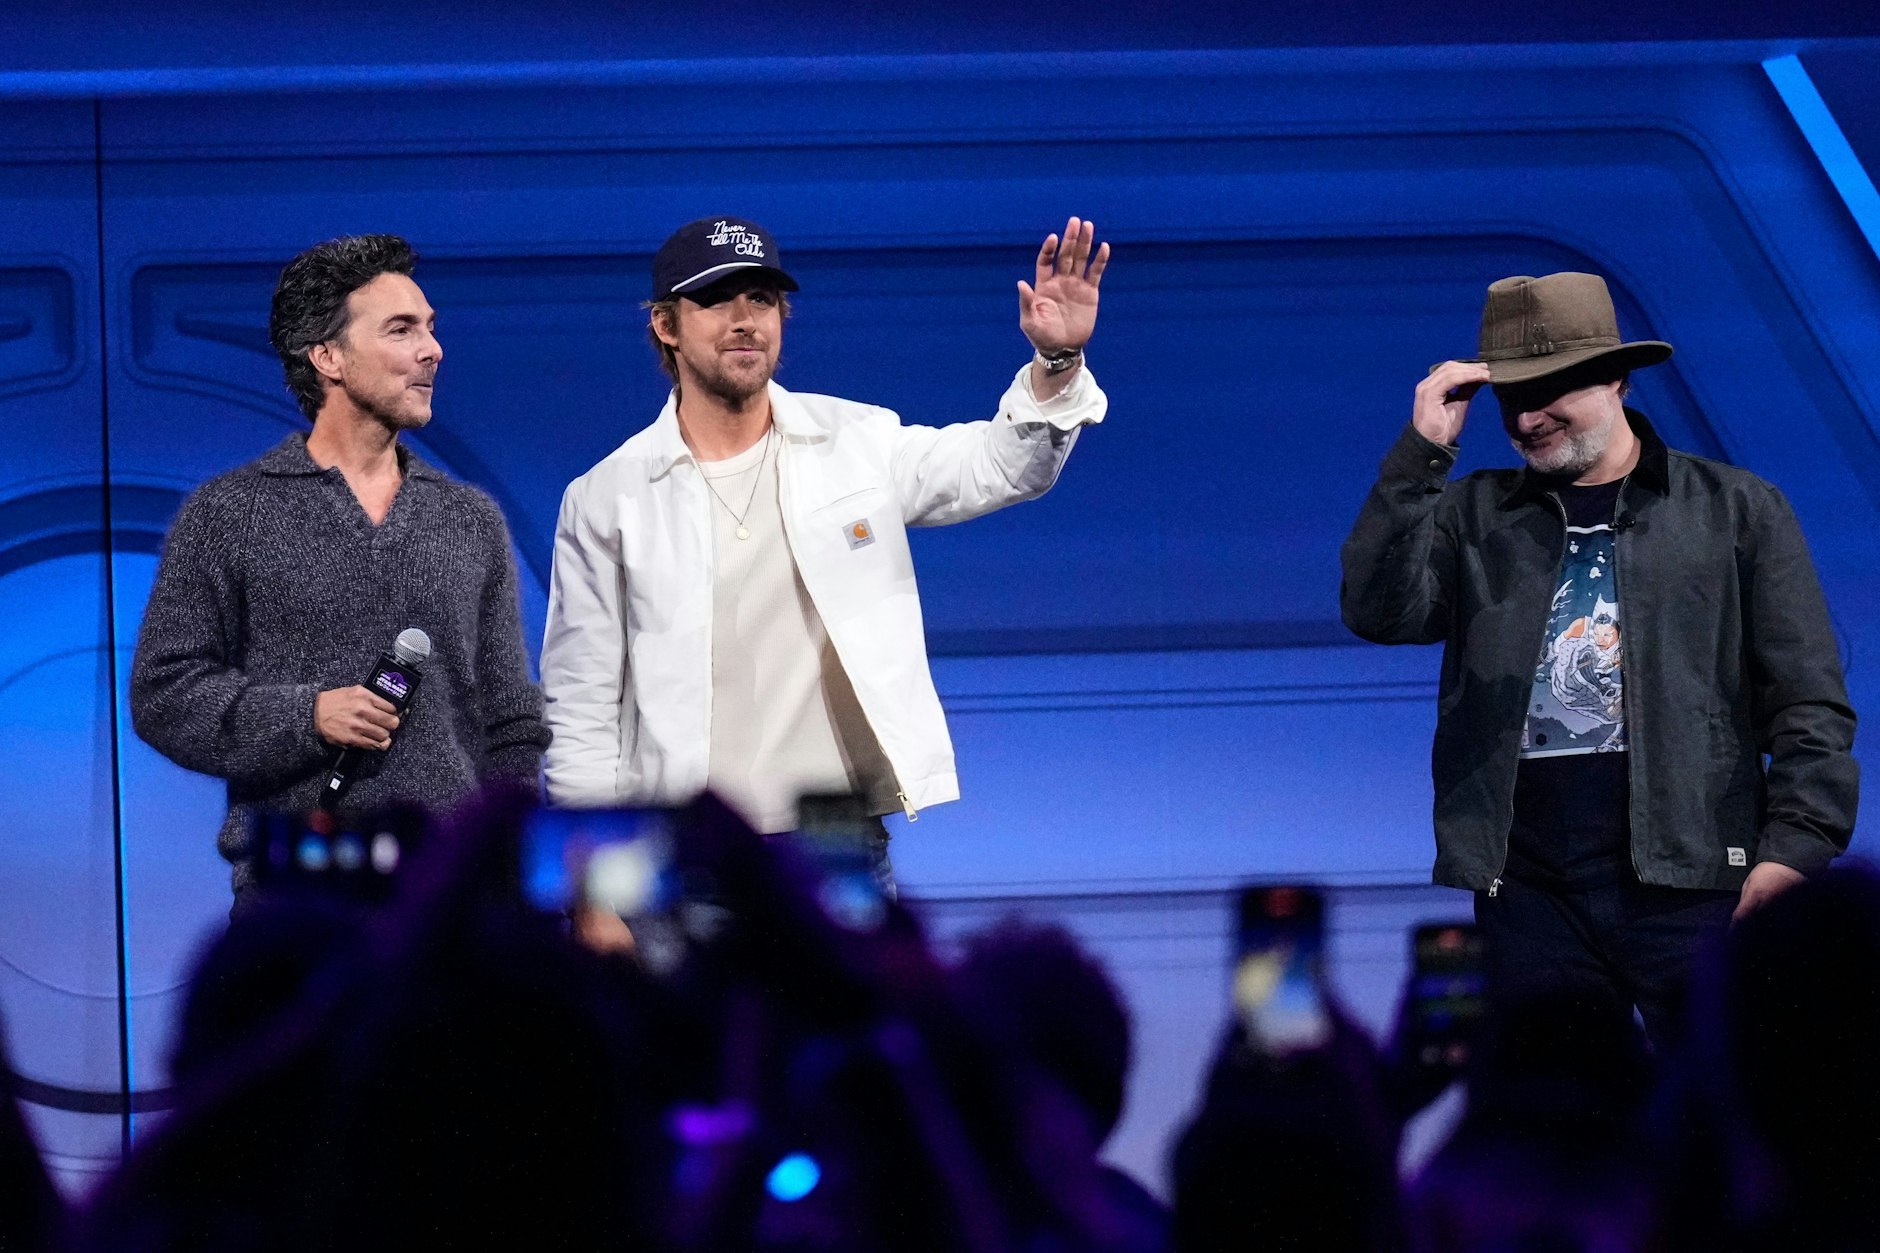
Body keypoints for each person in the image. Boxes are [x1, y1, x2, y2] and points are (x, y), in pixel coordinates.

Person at [1340, 271, 1858, 1045]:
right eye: (1512, 396)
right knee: (1555, 1107)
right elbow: (1378, 612)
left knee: (1721, 1101)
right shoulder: (1473, 514)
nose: (1528, 416)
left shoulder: (1734, 509)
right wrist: (1422, 454)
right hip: (1529, 894)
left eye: (1552, 388)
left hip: (1697, 882)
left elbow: (1808, 703)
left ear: (1617, 377)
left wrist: (1791, 853)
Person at [541, 215, 1109, 864]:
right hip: (684, 844)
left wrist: (1056, 363)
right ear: (666, 326)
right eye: (716, 300)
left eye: (761, 299)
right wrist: (590, 882)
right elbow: (581, 706)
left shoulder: (856, 442)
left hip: (836, 831)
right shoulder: (608, 497)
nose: (745, 320)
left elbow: (1001, 468)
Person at [131, 233, 549, 902]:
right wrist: (307, 715)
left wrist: (518, 869)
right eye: (401, 329)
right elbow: (165, 694)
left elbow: (509, 722)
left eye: (430, 328)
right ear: (327, 356)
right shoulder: (229, 512)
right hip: (299, 895)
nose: (433, 350)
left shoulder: (469, 519)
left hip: (452, 898)